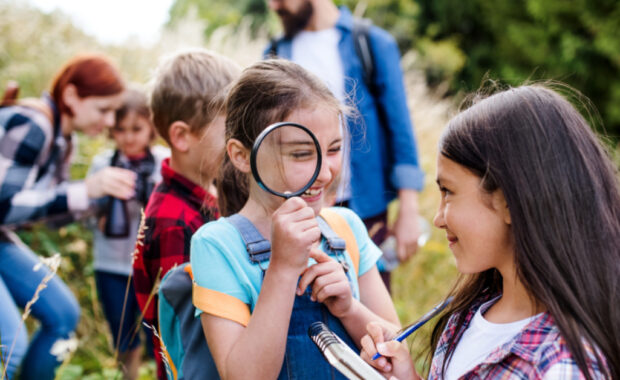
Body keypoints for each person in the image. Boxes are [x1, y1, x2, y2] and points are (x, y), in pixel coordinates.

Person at [360, 84, 619, 379]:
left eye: (449, 191)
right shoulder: (469, 314)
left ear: (509, 201)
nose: (438, 218)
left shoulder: (562, 366)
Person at [190, 59, 400, 379]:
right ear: (242, 156)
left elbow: (397, 350)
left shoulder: (346, 228)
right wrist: (283, 269)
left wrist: (349, 308)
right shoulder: (217, 245)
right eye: (302, 154)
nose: (326, 172)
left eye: (334, 149)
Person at [265, 0, 424, 291]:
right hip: (302, 208)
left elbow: (400, 128)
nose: (273, 5)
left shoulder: (372, 44)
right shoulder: (275, 54)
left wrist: (409, 210)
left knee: (370, 303)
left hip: (367, 208)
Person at [0, 54, 135, 380]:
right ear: (72, 95)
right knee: (9, 346)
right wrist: (83, 190)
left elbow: (43, 212)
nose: (108, 121)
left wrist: (96, 203)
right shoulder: (35, 125)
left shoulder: (64, 140)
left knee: (63, 315)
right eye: (103, 109)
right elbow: (4, 207)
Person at [131, 49, 240, 380]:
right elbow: (186, 331)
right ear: (181, 136)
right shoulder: (174, 223)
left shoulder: (206, 198)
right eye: (231, 128)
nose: (240, 140)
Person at [87, 87, 169, 380]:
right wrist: (102, 214)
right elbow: (86, 213)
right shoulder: (103, 165)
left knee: (160, 339)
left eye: (137, 128)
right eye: (120, 130)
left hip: (152, 266)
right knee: (124, 337)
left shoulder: (162, 162)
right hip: (111, 264)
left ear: (151, 128)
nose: (129, 137)